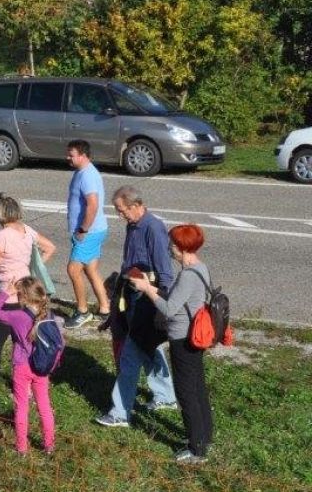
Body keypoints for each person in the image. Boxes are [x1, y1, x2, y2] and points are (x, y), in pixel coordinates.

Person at [128, 224, 215, 464]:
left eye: (172, 245)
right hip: (196, 336)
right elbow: (179, 298)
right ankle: (205, 436)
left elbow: (168, 309)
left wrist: (146, 289)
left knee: (186, 393)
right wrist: (152, 287)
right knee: (197, 387)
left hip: (183, 338)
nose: (169, 249)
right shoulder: (200, 268)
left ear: (181, 248)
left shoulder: (187, 275)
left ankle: (196, 449)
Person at [95, 186, 178, 428]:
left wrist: (160, 304)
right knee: (149, 348)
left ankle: (120, 413)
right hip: (132, 295)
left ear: (136, 205)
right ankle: (165, 396)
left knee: (130, 358)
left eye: (122, 210)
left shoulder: (153, 228)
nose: (120, 215)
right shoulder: (133, 225)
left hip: (147, 301)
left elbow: (165, 272)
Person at [0, 195, 56, 411]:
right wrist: (33, 269)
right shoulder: (27, 230)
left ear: (0, 214)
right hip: (28, 298)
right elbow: (50, 247)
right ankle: (28, 388)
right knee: (24, 343)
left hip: (9, 298)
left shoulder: (2, 236)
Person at [0, 277, 57, 455]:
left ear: (23, 296)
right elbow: (58, 343)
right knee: (44, 406)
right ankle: (49, 445)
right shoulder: (48, 315)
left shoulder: (16, 316)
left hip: (22, 366)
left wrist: (5, 294)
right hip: (41, 367)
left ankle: (21, 448)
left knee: (21, 407)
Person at [63, 140, 111, 328]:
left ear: (83, 155)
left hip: (88, 232)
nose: (68, 157)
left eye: (71, 155)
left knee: (73, 270)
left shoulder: (87, 176)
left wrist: (83, 229)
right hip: (95, 230)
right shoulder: (83, 172)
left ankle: (82, 311)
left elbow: (93, 204)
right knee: (91, 269)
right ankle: (105, 308)